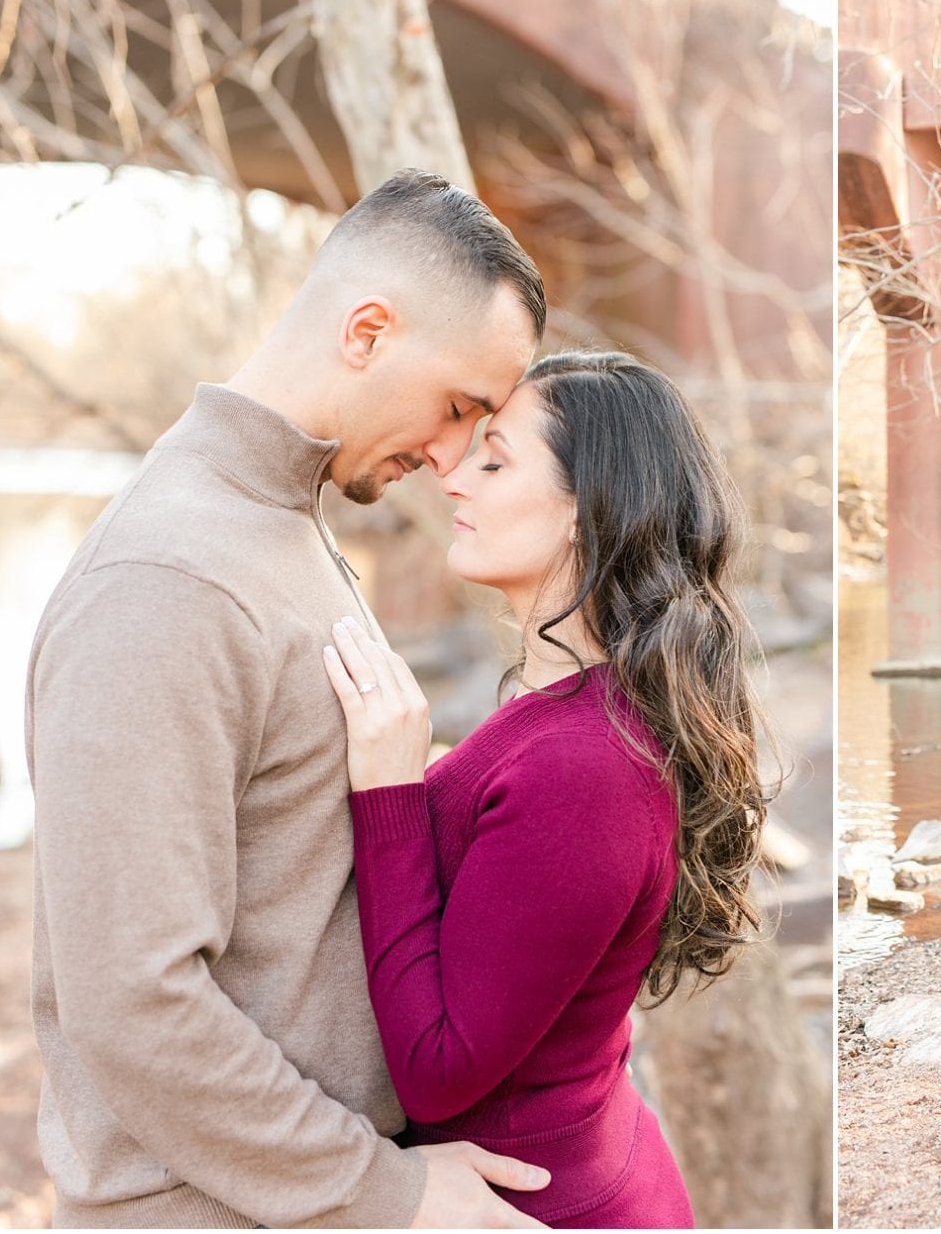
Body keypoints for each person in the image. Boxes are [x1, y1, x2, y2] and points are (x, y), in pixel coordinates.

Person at [25, 169, 554, 1227]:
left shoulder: (280, 521)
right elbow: (133, 1001)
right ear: (366, 330)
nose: (452, 455)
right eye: (457, 407)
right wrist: (385, 1192)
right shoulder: (167, 580)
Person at [320, 350, 769, 1229]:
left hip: (533, 1206)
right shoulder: (576, 711)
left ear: (582, 511)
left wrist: (390, 797)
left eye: (495, 460)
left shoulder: (585, 768)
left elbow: (439, 1064)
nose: (454, 478)